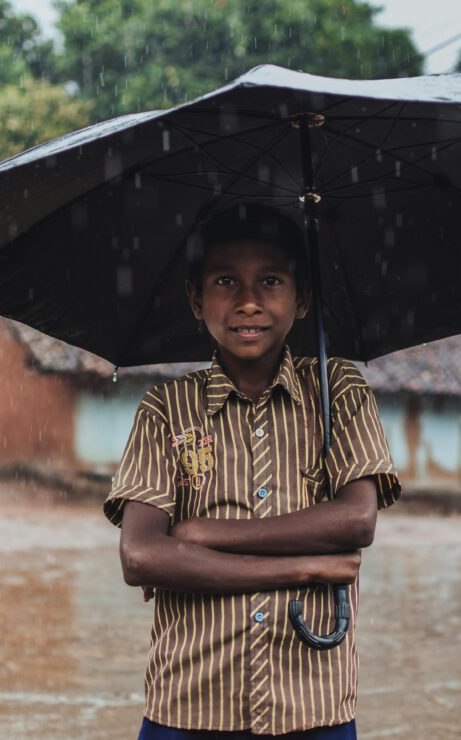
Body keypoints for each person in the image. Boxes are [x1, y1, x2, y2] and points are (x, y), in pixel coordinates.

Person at [104, 204, 402, 739]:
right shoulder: (166, 408)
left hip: (314, 705)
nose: (248, 302)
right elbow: (141, 554)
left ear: (302, 296)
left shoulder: (340, 392)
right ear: (196, 299)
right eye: (225, 282)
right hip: (189, 705)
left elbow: (357, 522)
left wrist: (203, 535)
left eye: (270, 281)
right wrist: (303, 568)